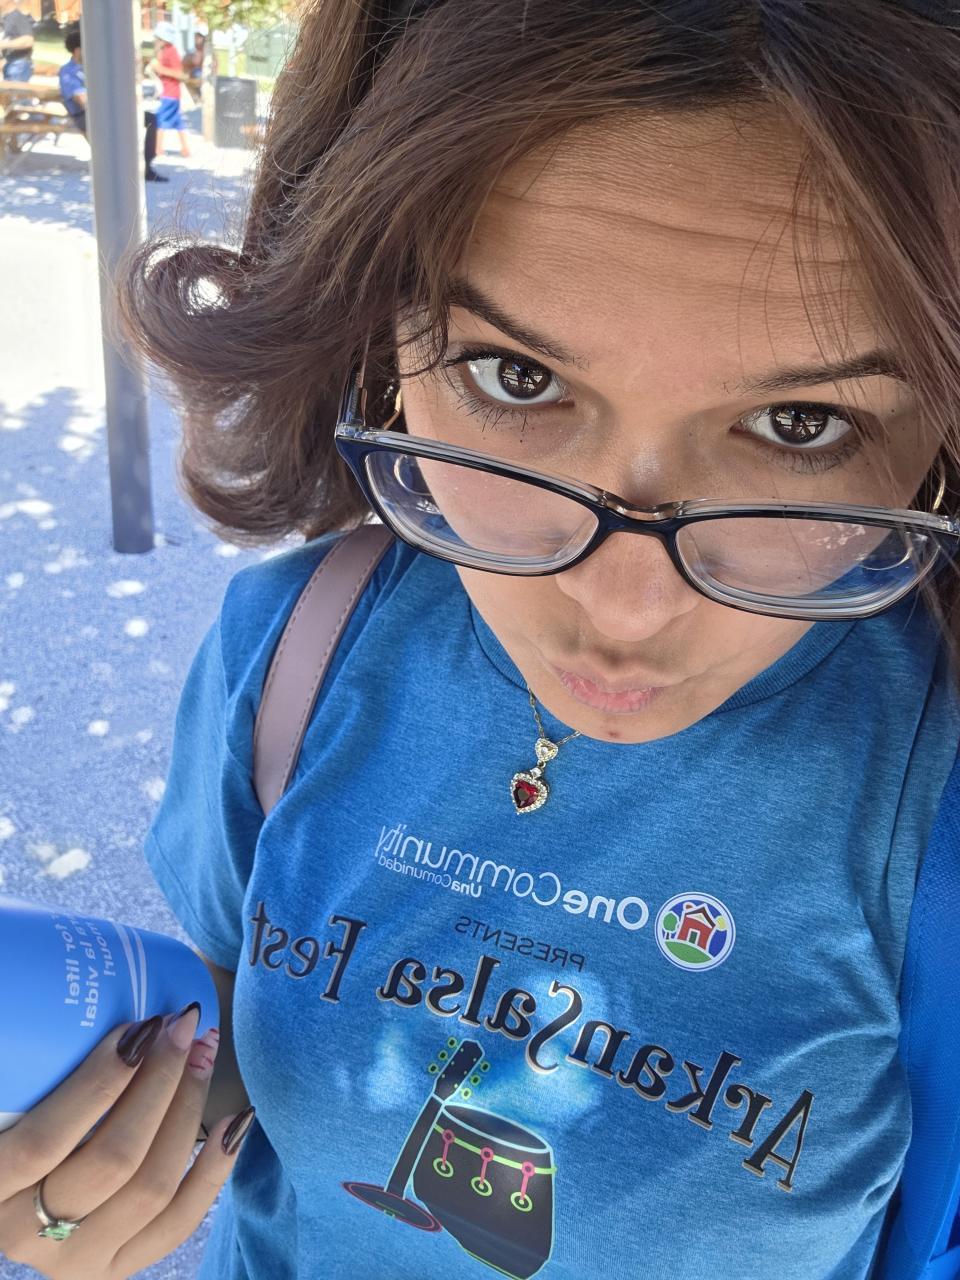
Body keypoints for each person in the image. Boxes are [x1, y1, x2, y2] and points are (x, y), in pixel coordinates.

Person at [2, 2, 960, 1278]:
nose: (624, 607)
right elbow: (237, 1028)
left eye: (800, 424)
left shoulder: (929, 786)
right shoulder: (294, 652)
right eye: (518, 378)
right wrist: (87, 1174)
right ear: (377, 345)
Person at [58, 31, 169, 184]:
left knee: (150, 119)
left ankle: (146, 165)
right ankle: (124, 169)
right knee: (118, 127)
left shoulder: (94, 67)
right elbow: (82, 100)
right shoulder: (68, 72)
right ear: (78, 50)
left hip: (106, 110)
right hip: (86, 115)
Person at [148, 20, 190, 159]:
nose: (156, 41)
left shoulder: (171, 51)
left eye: (158, 38)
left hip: (170, 93)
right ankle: (185, 149)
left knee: (159, 119)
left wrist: (160, 69)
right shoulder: (165, 51)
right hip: (171, 92)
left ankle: (157, 148)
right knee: (177, 121)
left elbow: (179, 74)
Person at [0, 0, 32, 82]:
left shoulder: (18, 17)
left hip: (18, 65)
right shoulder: (7, 18)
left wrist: (3, 45)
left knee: (15, 90)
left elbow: (28, 40)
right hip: (10, 64)